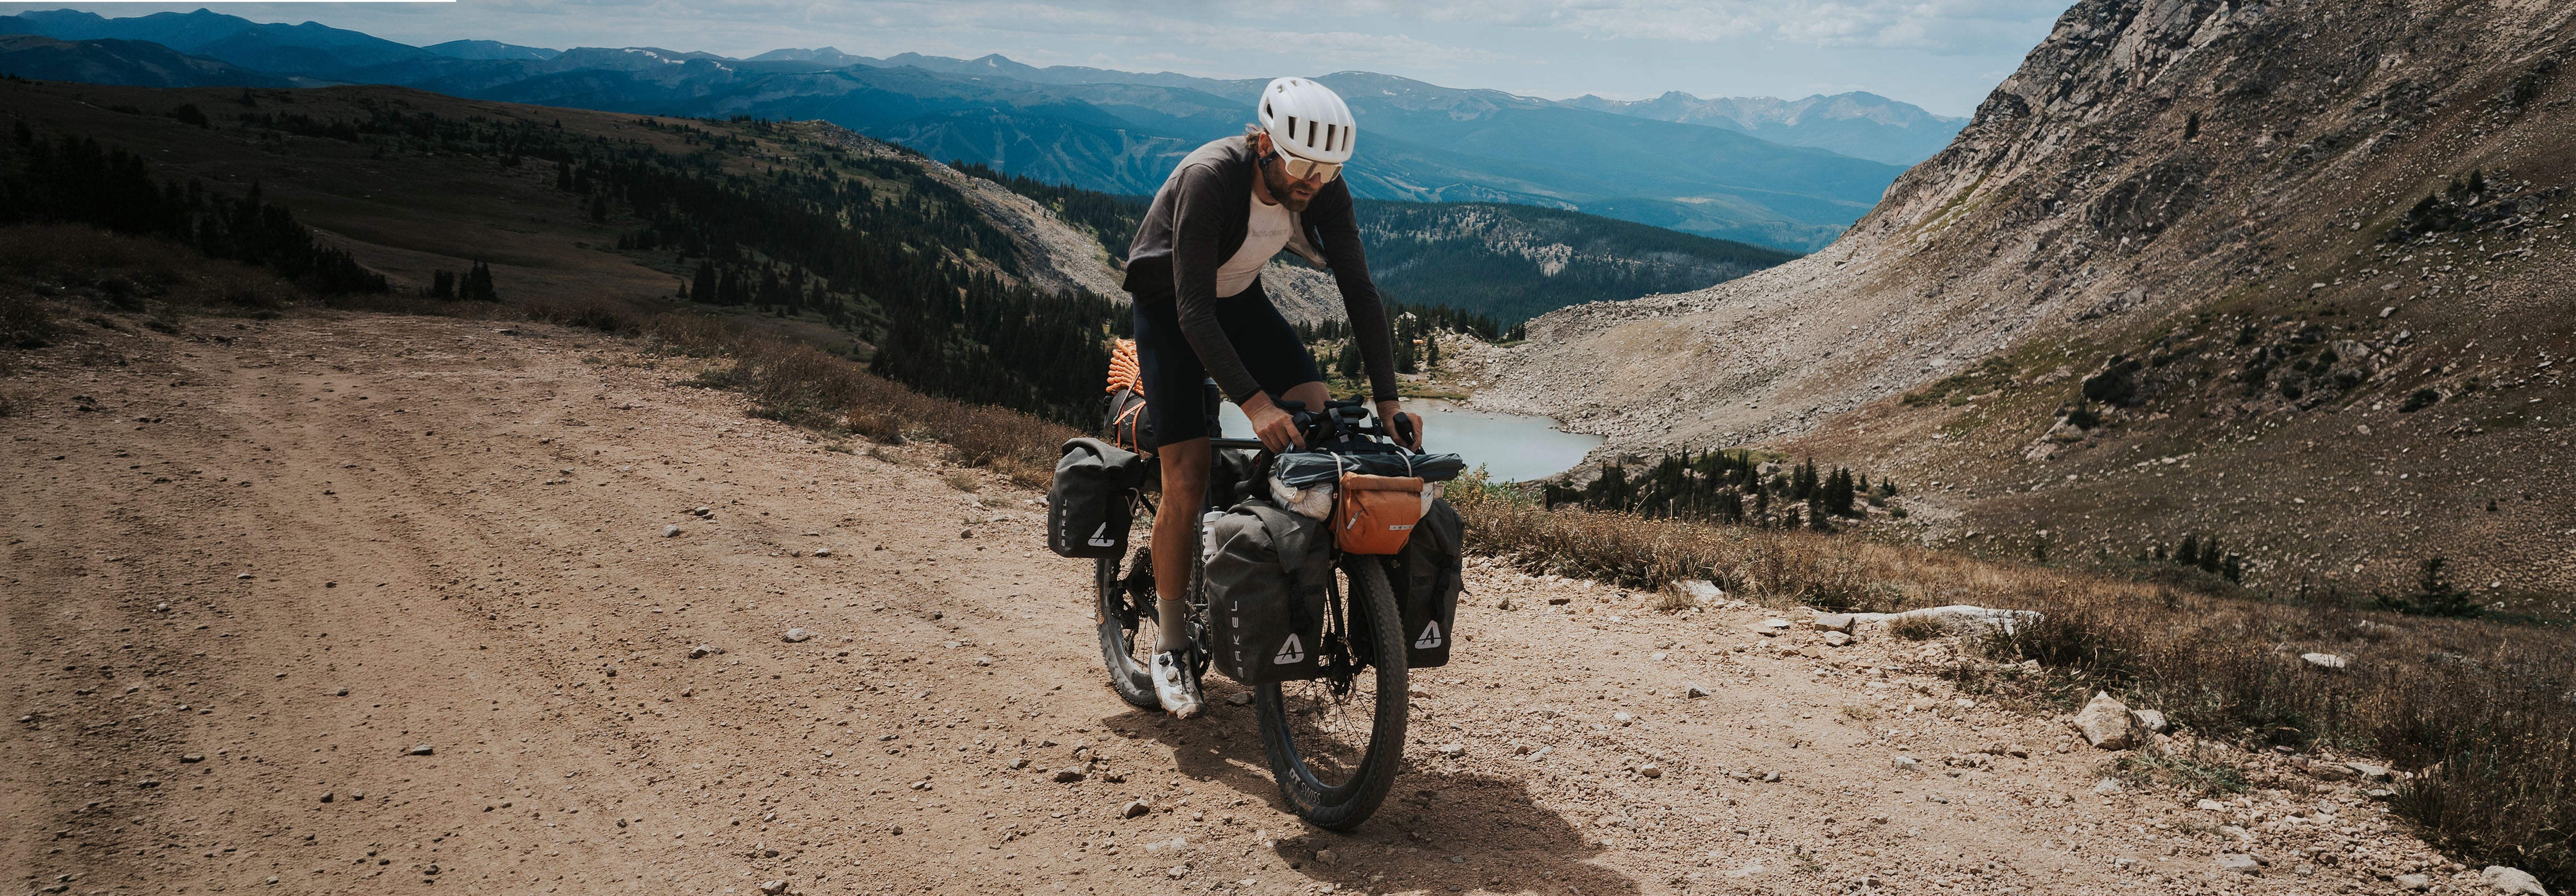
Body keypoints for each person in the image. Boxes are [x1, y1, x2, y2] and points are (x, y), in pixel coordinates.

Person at [1121, 76, 1421, 717]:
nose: (1313, 180)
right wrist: (1255, 404)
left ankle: (1246, 546)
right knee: (1186, 472)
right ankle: (1171, 647)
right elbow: (1194, 311)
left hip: (1240, 302)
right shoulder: (1210, 178)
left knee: (1314, 413)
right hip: (1172, 309)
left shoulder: (1324, 192)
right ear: (1262, 142)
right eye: (1303, 163)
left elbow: (1361, 294)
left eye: (1329, 169)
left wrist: (1389, 400)